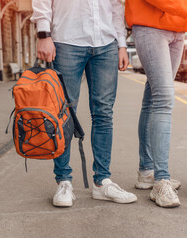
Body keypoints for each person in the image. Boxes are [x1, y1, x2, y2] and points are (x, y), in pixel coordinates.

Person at [31, 0, 137, 207]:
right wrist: (43, 34)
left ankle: (102, 182)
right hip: (67, 40)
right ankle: (63, 181)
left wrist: (122, 44)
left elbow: (116, 7)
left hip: (106, 43)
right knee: (63, 114)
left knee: (104, 113)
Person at [125, 0, 187, 208]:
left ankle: (147, 172)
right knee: (164, 99)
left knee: (152, 100)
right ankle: (161, 180)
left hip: (177, 29)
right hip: (150, 27)